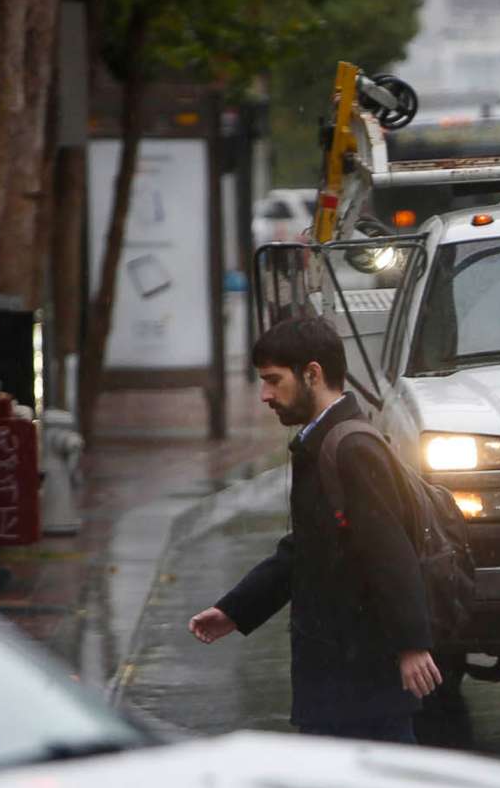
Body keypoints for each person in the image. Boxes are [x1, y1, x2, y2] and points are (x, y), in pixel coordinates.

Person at [187, 316, 440, 743]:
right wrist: (236, 609)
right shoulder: (320, 443)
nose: (265, 395)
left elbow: (390, 551)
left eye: (273, 380)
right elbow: (305, 548)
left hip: (359, 680)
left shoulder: (350, 449)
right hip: (339, 678)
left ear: (312, 374)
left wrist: (412, 645)